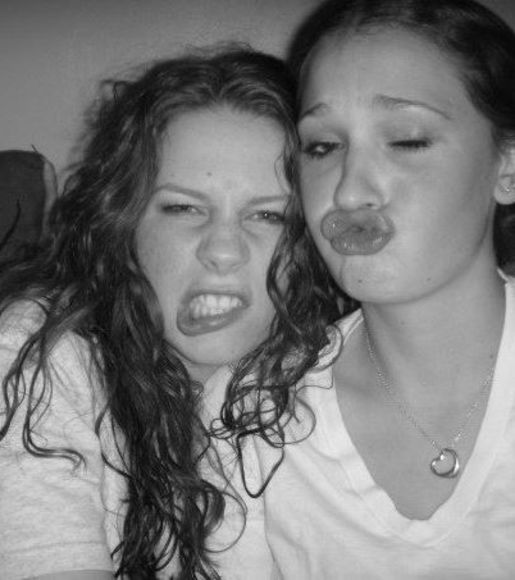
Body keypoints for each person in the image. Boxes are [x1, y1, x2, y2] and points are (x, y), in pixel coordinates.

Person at [0, 46, 327, 580]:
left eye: (268, 215)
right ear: (122, 222)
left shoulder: (321, 370)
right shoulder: (29, 361)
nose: (224, 250)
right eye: (183, 207)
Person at [218, 0, 515, 578]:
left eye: (406, 140)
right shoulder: (252, 413)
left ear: (506, 166)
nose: (349, 192)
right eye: (322, 147)